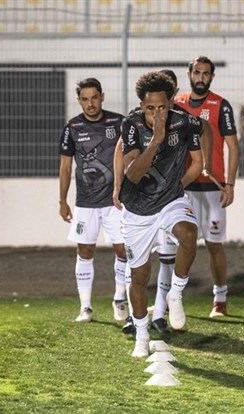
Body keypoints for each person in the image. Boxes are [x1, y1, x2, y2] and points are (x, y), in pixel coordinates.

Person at [113, 69, 213, 335]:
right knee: (139, 276)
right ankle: (141, 334)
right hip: (138, 208)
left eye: (162, 107)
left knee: (190, 234)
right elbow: (132, 174)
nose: (156, 113)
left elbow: (201, 151)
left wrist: (180, 184)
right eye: (149, 108)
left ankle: (175, 295)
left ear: (171, 103)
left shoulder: (184, 122)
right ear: (140, 106)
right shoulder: (131, 125)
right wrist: (157, 140)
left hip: (170, 199)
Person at [174, 56, 240, 318]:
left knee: (214, 244)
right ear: (189, 74)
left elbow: (233, 147)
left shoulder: (220, 106)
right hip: (184, 188)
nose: (201, 78)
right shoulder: (177, 104)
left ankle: (220, 299)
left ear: (212, 77)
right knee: (179, 243)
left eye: (206, 74)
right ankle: (172, 296)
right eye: (197, 72)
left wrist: (230, 184)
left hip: (213, 188)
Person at [59, 78, 128, 323]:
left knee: (123, 250)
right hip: (85, 203)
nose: (90, 103)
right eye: (85, 99)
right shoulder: (72, 127)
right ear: (79, 100)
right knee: (85, 251)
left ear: (102, 96)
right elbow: (66, 167)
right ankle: (85, 307)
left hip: (115, 202)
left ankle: (120, 299)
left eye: (94, 98)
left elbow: (131, 156)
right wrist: (62, 201)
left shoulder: (118, 122)